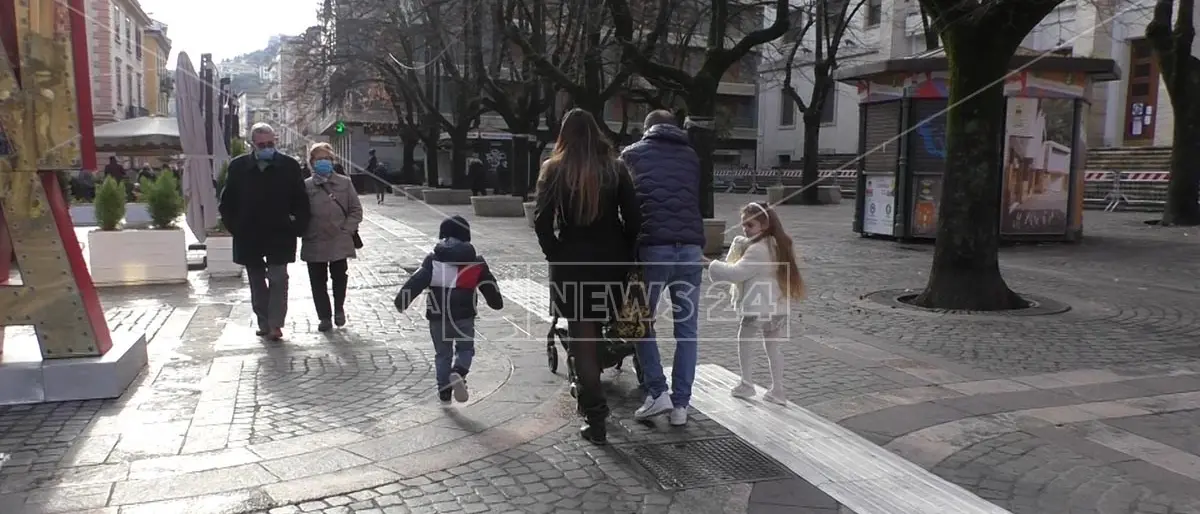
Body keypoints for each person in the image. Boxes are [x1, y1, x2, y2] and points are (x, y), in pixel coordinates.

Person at [534, 108, 641, 445]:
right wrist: (625, 255)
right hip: (611, 263)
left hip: (571, 264)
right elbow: (635, 220)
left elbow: (541, 221)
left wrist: (556, 253)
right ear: (597, 132)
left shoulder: (554, 170)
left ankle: (596, 418)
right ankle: (607, 369)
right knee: (603, 330)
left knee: (583, 340)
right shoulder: (616, 169)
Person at [619, 110, 705, 427]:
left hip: (653, 247)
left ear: (647, 129)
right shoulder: (691, 156)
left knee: (639, 322)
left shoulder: (631, 154)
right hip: (691, 249)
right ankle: (681, 405)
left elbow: (624, 201)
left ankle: (657, 392)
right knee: (687, 332)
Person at [395, 216, 503, 403]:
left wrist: (401, 301)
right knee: (465, 349)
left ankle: (444, 391)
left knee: (442, 354)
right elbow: (489, 286)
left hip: (438, 316)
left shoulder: (432, 260)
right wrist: (496, 302)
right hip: (464, 316)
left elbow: (416, 281)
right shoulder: (476, 262)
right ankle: (459, 372)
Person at [218, 123, 310, 341]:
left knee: (279, 278)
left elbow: (301, 200)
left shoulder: (288, 165)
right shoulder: (238, 166)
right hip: (249, 234)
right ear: (253, 144)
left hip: (280, 233)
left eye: (270, 143)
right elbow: (227, 201)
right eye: (262, 145)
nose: (267, 148)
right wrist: (236, 227)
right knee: (257, 281)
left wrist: (296, 225)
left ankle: (276, 324)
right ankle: (264, 322)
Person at [707, 202, 805, 404]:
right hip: (778, 307)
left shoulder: (758, 249)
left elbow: (736, 273)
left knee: (745, 342)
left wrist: (710, 264)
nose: (745, 228)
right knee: (773, 348)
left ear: (764, 225)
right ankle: (778, 390)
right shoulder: (780, 244)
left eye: (750, 225)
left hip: (758, 307)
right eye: (743, 224)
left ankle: (747, 384)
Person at [301, 143, 363, 332]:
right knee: (317, 280)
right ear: (312, 162)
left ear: (333, 161)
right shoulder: (306, 186)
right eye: (319, 159)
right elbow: (299, 211)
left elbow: (356, 210)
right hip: (314, 239)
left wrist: (347, 230)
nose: (324, 162)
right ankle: (324, 317)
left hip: (339, 238)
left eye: (327, 159)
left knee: (339, 276)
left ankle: (339, 309)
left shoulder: (345, 183)